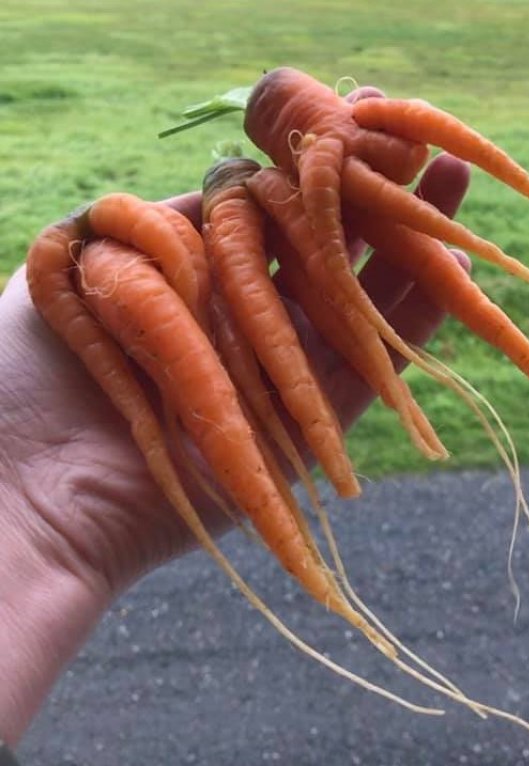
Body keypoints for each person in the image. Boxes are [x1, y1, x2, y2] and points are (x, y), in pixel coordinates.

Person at [0, 149, 470, 747]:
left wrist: (16, 498)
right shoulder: (78, 266)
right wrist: (15, 488)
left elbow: (210, 295)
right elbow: (203, 298)